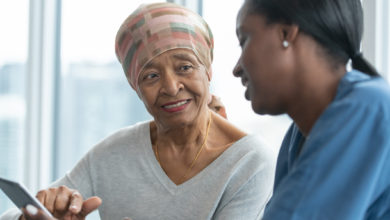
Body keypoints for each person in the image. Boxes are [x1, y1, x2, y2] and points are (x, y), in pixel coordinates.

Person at [0, 2, 276, 220]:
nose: (170, 87)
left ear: (208, 70)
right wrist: (38, 214)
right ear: (136, 88)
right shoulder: (112, 153)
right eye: (151, 76)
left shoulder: (250, 161)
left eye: (185, 67)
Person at [233, 0, 390, 219]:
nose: (237, 68)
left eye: (244, 40)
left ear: (286, 33)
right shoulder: (297, 136)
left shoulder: (367, 108)